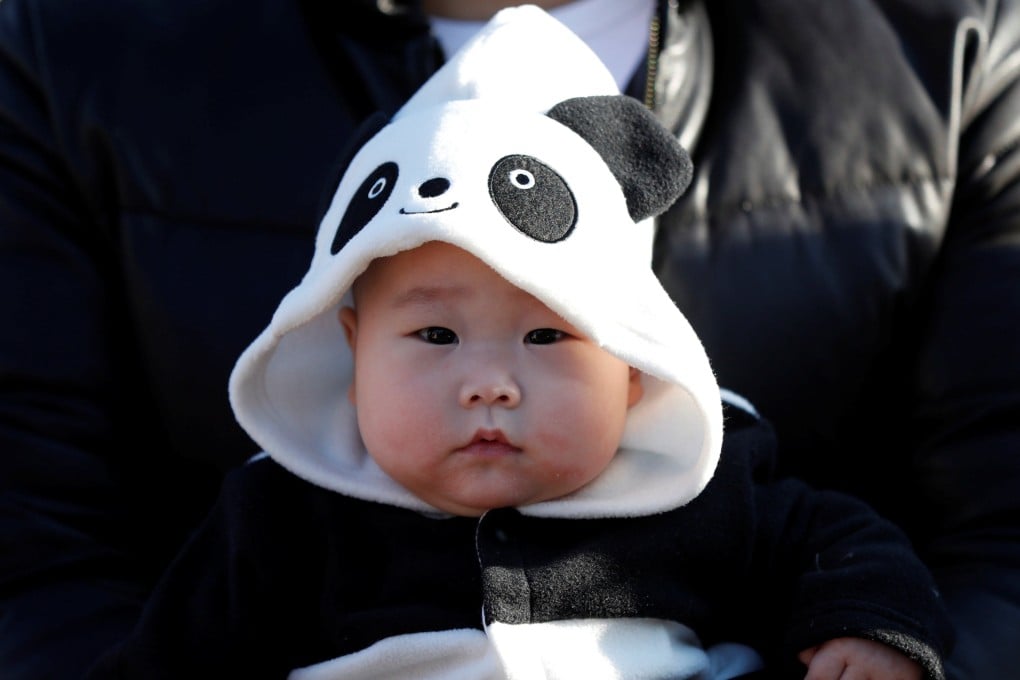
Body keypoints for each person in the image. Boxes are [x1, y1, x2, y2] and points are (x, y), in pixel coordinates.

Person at [0, 0, 1016, 678]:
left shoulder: (707, 484)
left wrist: (873, 632)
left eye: (547, 334)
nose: (490, 381)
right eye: (435, 333)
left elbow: (853, 548)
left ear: (633, 353)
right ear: (347, 341)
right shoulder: (278, 518)